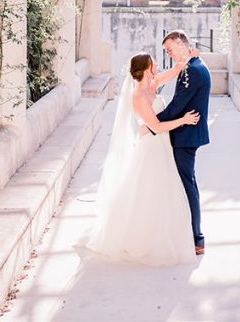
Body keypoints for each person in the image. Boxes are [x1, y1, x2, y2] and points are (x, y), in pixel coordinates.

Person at [86, 52, 201, 266]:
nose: (157, 64)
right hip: (151, 148)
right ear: (146, 68)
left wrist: (188, 58)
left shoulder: (152, 84)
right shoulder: (139, 95)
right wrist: (183, 120)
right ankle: (144, 238)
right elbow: (156, 127)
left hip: (162, 145)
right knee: (149, 191)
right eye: (153, 62)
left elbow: (175, 71)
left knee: (164, 191)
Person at [156, 30, 211, 255]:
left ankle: (197, 238)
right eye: (166, 51)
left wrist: (151, 124)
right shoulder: (194, 64)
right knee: (188, 184)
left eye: (170, 49)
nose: (169, 54)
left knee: (187, 186)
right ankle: (191, 235)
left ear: (181, 43)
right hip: (186, 134)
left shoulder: (194, 71)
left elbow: (177, 106)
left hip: (186, 136)